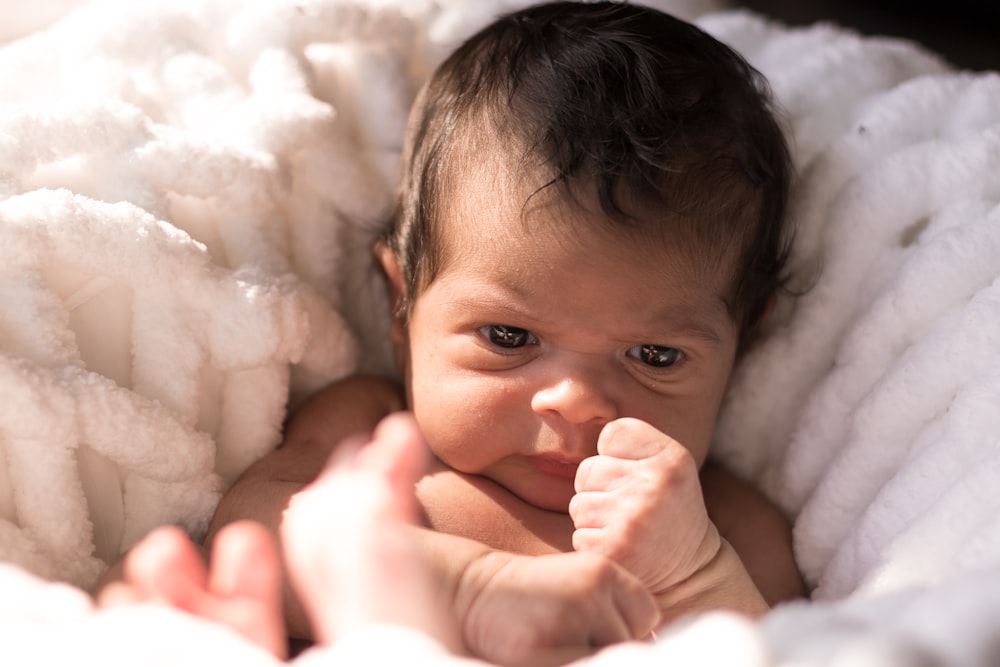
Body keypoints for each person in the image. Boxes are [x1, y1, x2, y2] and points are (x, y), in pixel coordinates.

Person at [106, 1, 805, 663]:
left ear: (743, 339)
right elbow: (257, 527)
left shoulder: (722, 525)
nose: (576, 399)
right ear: (403, 303)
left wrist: (697, 577)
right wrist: (467, 590)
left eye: (655, 355)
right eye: (507, 337)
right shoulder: (375, 431)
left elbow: (801, 652)